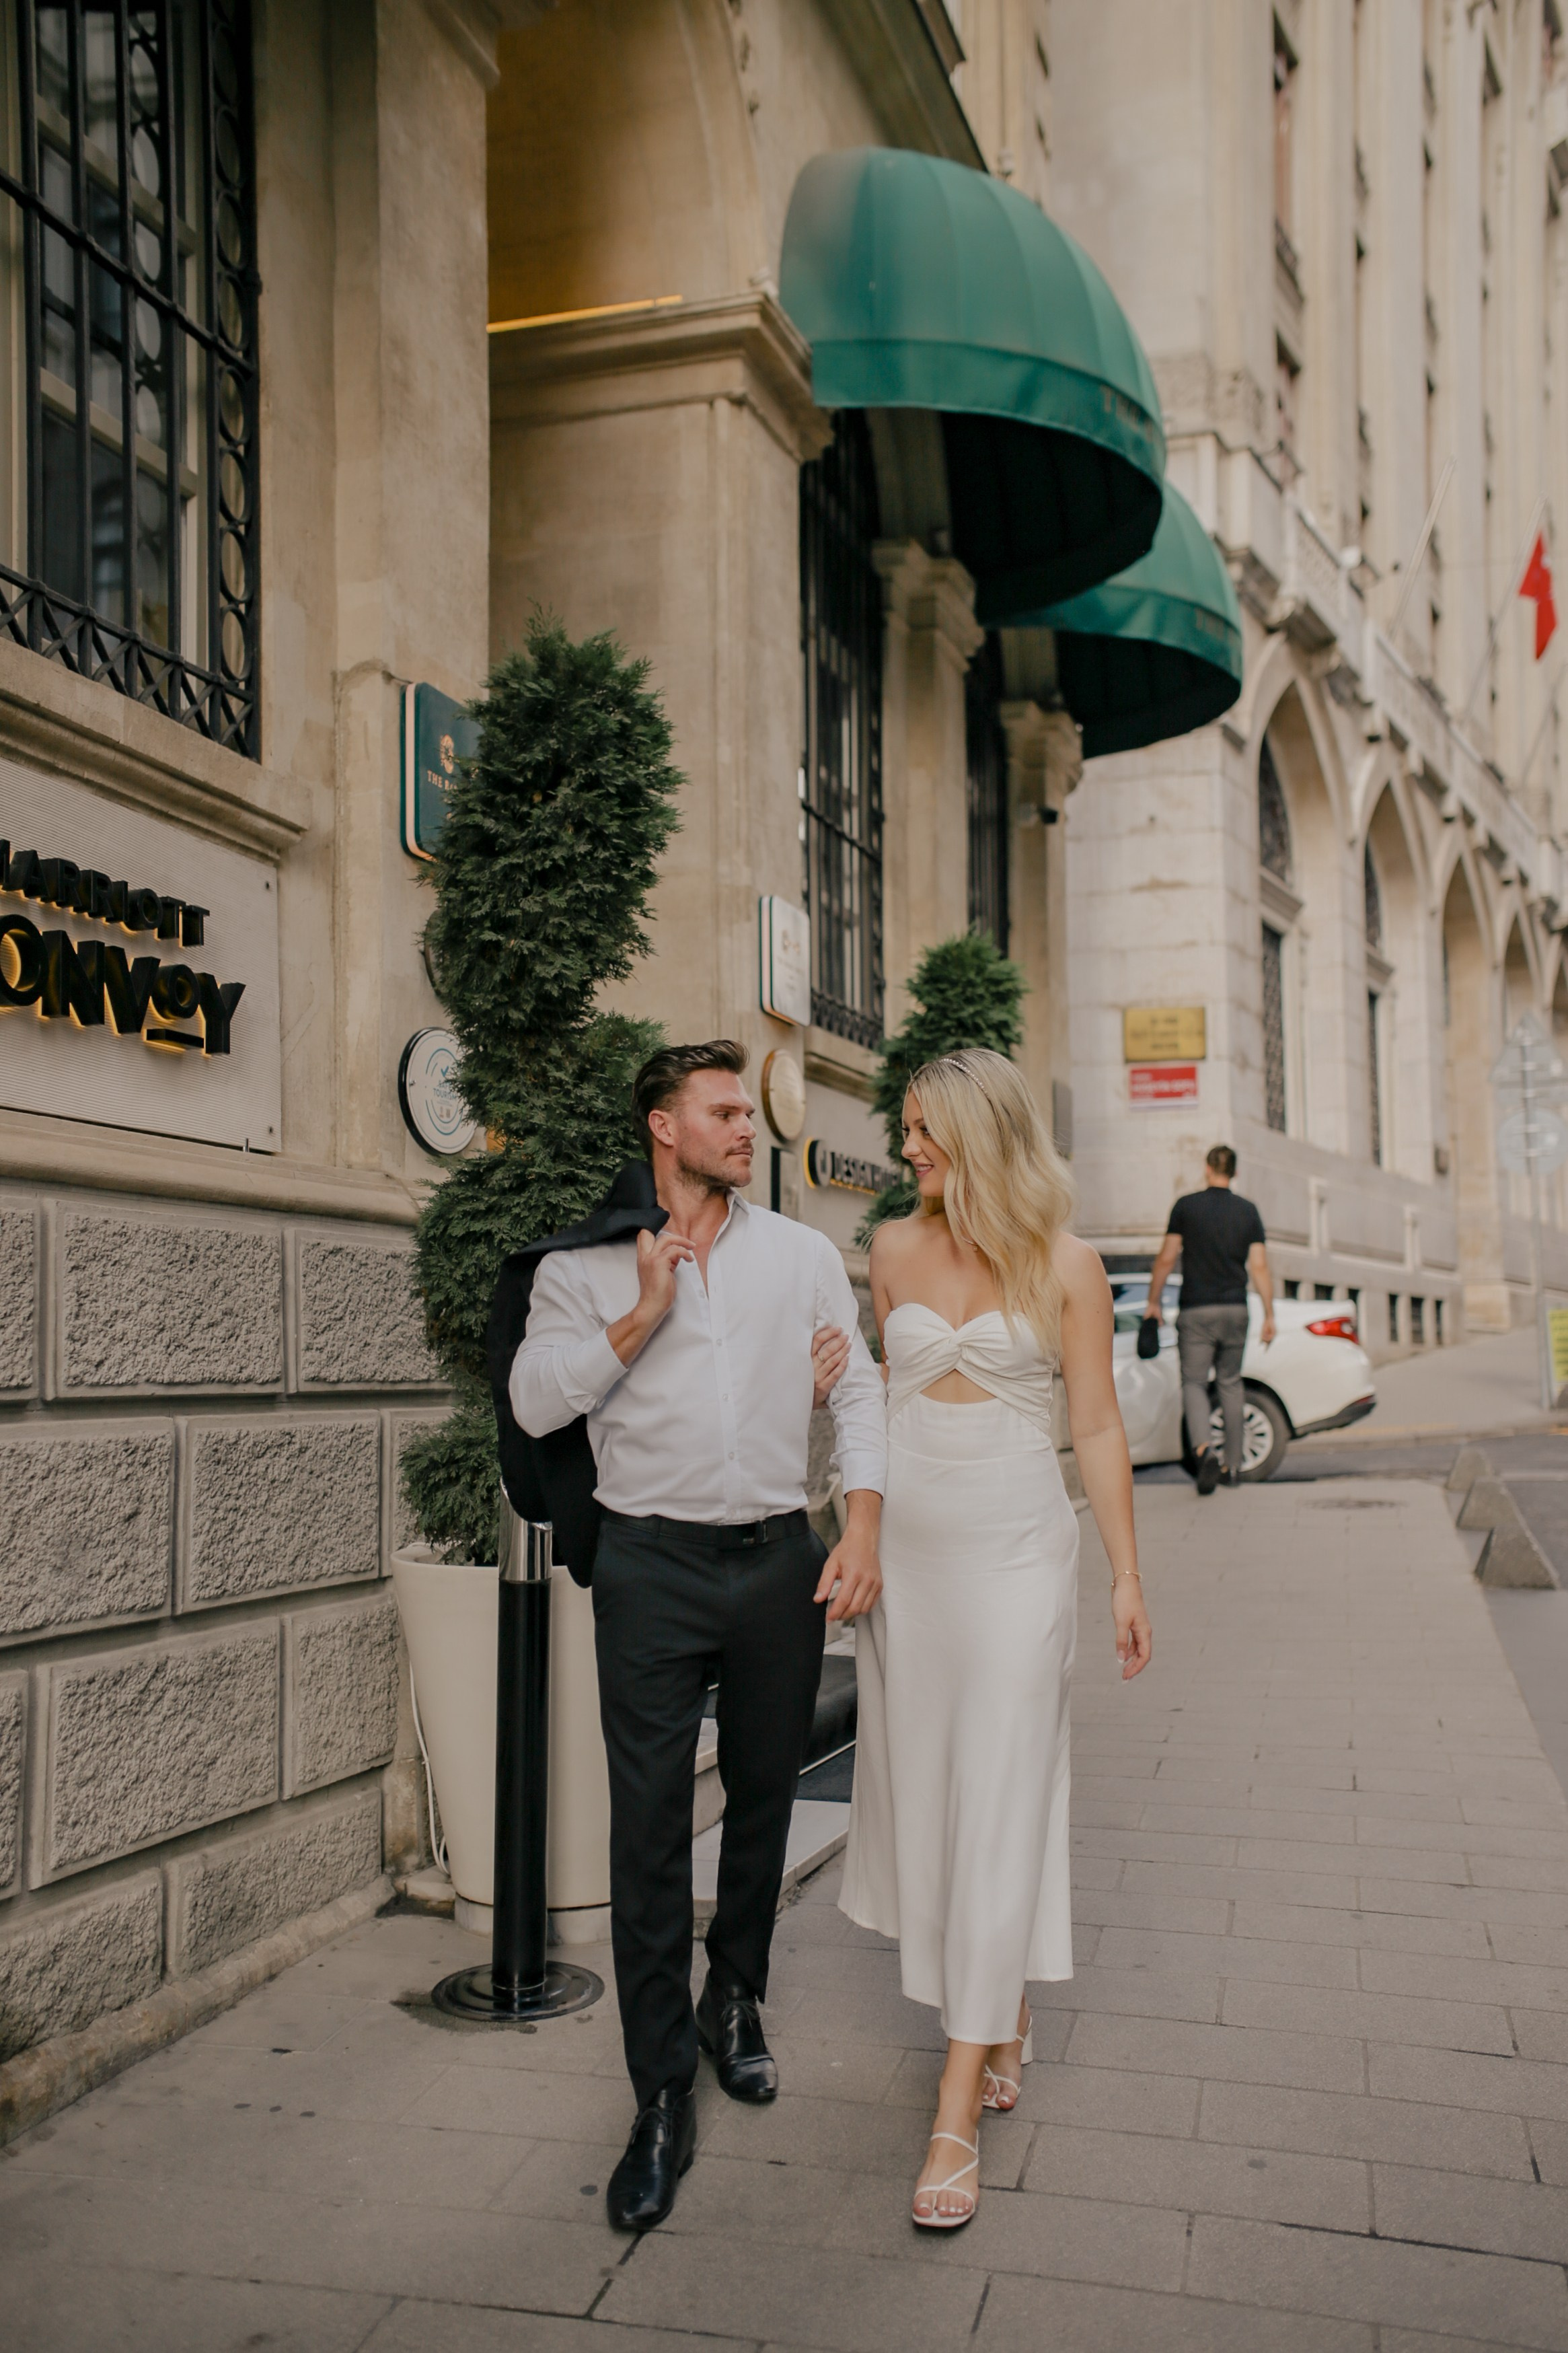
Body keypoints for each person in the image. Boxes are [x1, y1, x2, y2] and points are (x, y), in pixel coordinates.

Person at [511, 1040, 887, 2233]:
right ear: (663, 1127)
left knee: (768, 1793)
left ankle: (735, 1997)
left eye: (743, 1109)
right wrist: (640, 1317)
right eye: (721, 1110)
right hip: (650, 1568)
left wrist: (859, 1523)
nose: (744, 1125)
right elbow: (531, 1399)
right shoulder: (583, 1266)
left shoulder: (802, 1255)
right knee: (648, 1829)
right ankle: (660, 2090)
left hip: (777, 1557)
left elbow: (857, 1386)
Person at [839, 1048, 1152, 2231]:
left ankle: (953, 2104)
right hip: (912, 1565)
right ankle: (999, 2004)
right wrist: (857, 1517)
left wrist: (1126, 1576)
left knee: (1003, 1793)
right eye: (905, 1127)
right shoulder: (888, 1248)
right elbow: (879, 1401)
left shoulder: (1065, 1264)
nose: (906, 1145)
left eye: (923, 1128)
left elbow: (1097, 1427)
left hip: (1020, 1553)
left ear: (980, 1133)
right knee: (932, 1797)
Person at [1146, 1144, 1276, 1494]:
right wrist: (1269, 1314)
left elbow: (1166, 1258)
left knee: (1194, 1383)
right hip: (1235, 1309)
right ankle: (1232, 1467)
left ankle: (1204, 1451)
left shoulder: (1186, 1207)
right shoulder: (1248, 1211)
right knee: (1231, 1382)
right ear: (1235, 1172)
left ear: (1207, 1168)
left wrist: (1153, 1302)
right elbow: (1259, 1266)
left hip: (1197, 1309)